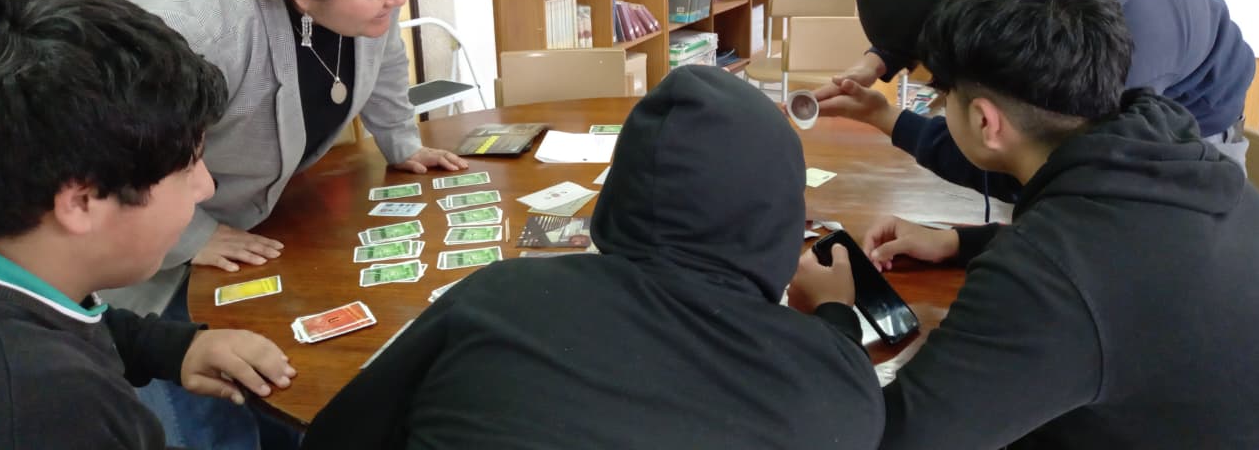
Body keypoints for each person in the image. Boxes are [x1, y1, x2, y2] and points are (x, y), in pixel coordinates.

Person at [791, 0, 1259, 449]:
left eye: (943, 97)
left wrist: (832, 317)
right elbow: (1123, 259)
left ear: (985, 122)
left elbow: (891, 440)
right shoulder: (1173, 151)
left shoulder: (1043, 278)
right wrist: (960, 242)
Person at [300, 66, 884, 450]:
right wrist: (835, 317)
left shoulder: (498, 295)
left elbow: (334, 438)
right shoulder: (832, 385)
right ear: (781, 217)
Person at [103, 0, 466, 448]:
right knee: (210, 417)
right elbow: (117, 151)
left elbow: (384, 48)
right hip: (151, 247)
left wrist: (401, 139)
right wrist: (193, 233)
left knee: (282, 389)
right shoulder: (193, 24)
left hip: (258, 215)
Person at [0, 0, 297, 448]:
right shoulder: (51, 407)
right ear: (82, 202)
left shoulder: (26, 277)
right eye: (187, 167)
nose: (205, 187)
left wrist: (178, 347)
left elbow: (83, 319)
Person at [817, 0, 1255, 191]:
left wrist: (889, 120)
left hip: (1197, 125)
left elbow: (1043, 176)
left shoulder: (1095, 55)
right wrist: (881, 58)